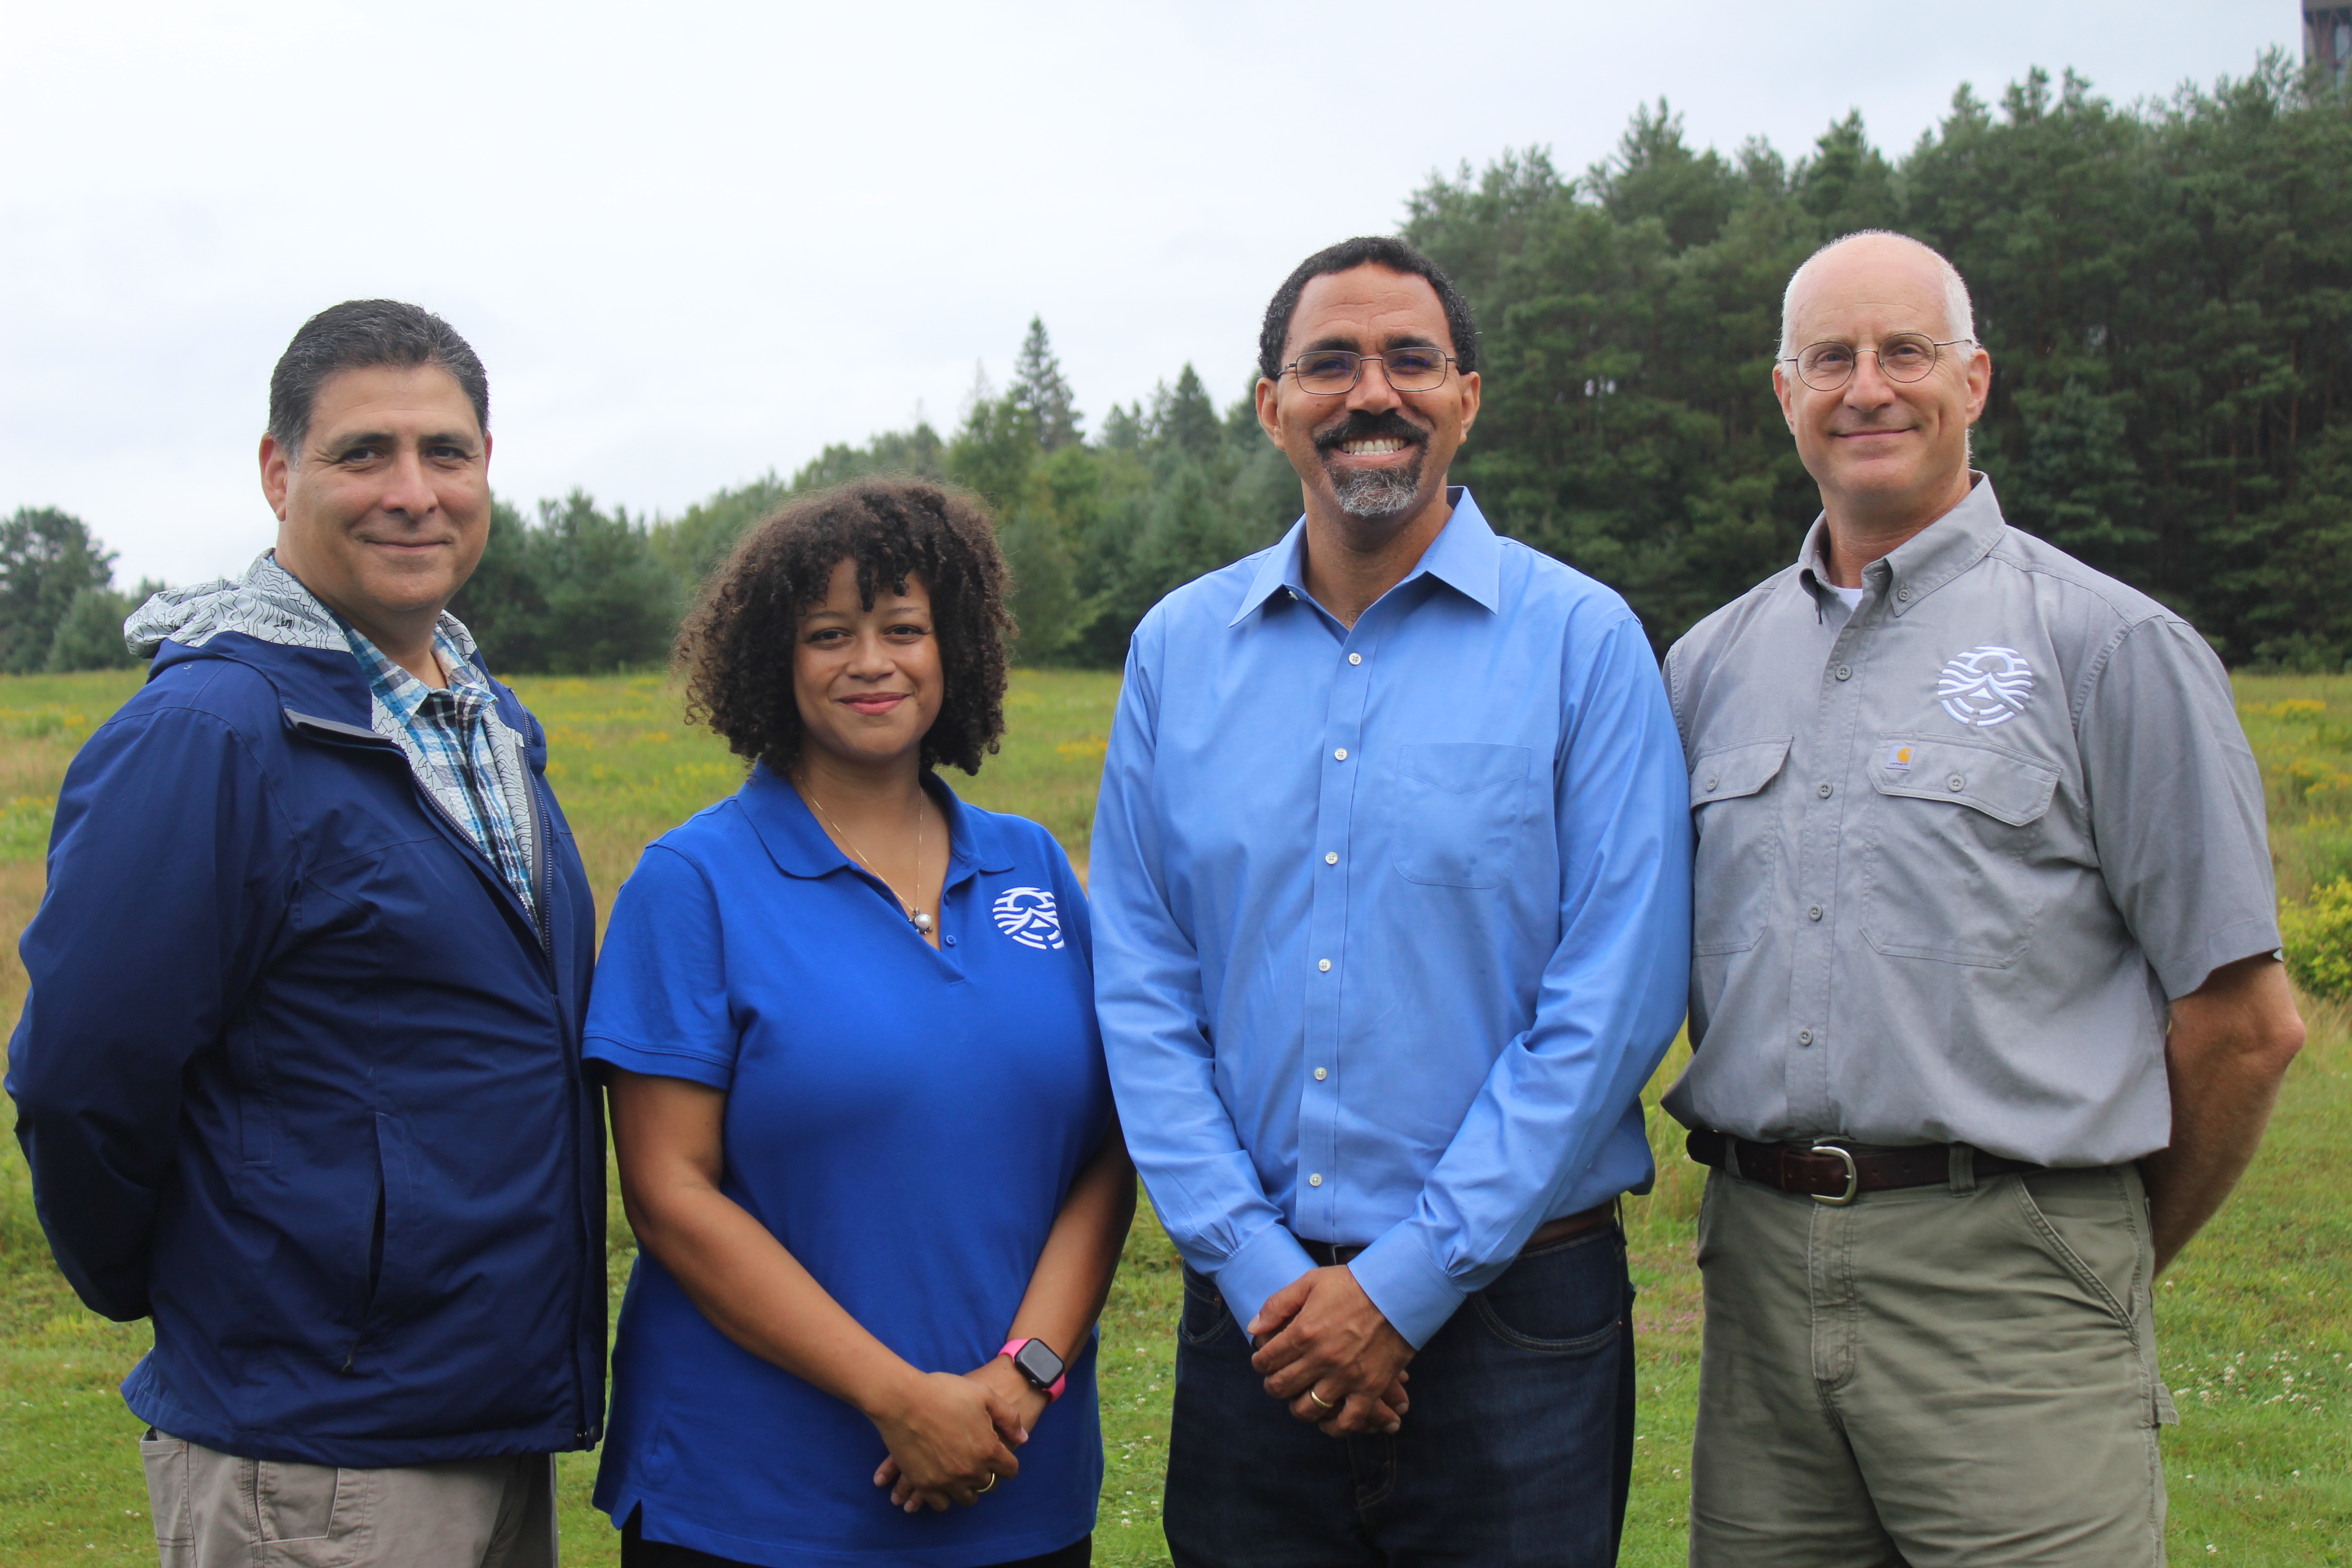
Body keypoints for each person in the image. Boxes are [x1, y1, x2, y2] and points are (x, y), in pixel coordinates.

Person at [1665, 230, 2307, 1566]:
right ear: (1783, 395)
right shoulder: (1709, 665)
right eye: (1829, 358)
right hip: (1760, 1292)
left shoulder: (2111, 648)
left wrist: (2094, 1254)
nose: (1868, 387)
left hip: (2013, 1290)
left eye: (1905, 351)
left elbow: (2245, 1022)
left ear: (1975, 380)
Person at [1089, 235, 1694, 1566]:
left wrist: (1406, 1283)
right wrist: (1256, 1267)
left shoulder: (1585, 643)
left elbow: (1616, 997)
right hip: (1259, 1316)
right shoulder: (1178, 653)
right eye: (1330, 363)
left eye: (1410, 359)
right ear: (1270, 406)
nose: (1373, 391)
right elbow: (1140, 987)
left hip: (1519, 1320)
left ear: (1467, 396)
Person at [6, 300, 605, 1567]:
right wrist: (196, 1292)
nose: (413, 492)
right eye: (362, 453)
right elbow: (83, 1078)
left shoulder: (483, 716)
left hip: (484, 1412)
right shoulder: (213, 733)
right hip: (315, 1453)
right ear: (280, 472)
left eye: (446, 452)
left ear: (487, 467)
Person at [584, 479, 1132, 1568]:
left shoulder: (1033, 867)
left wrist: (1021, 1379)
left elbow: (1112, 1151)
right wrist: (900, 1400)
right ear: (773, 662)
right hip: (757, 1503)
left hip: (1019, 1486)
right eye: (829, 634)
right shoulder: (693, 883)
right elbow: (670, 1196)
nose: (870, 661)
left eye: (904, 628)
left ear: (954, 647)